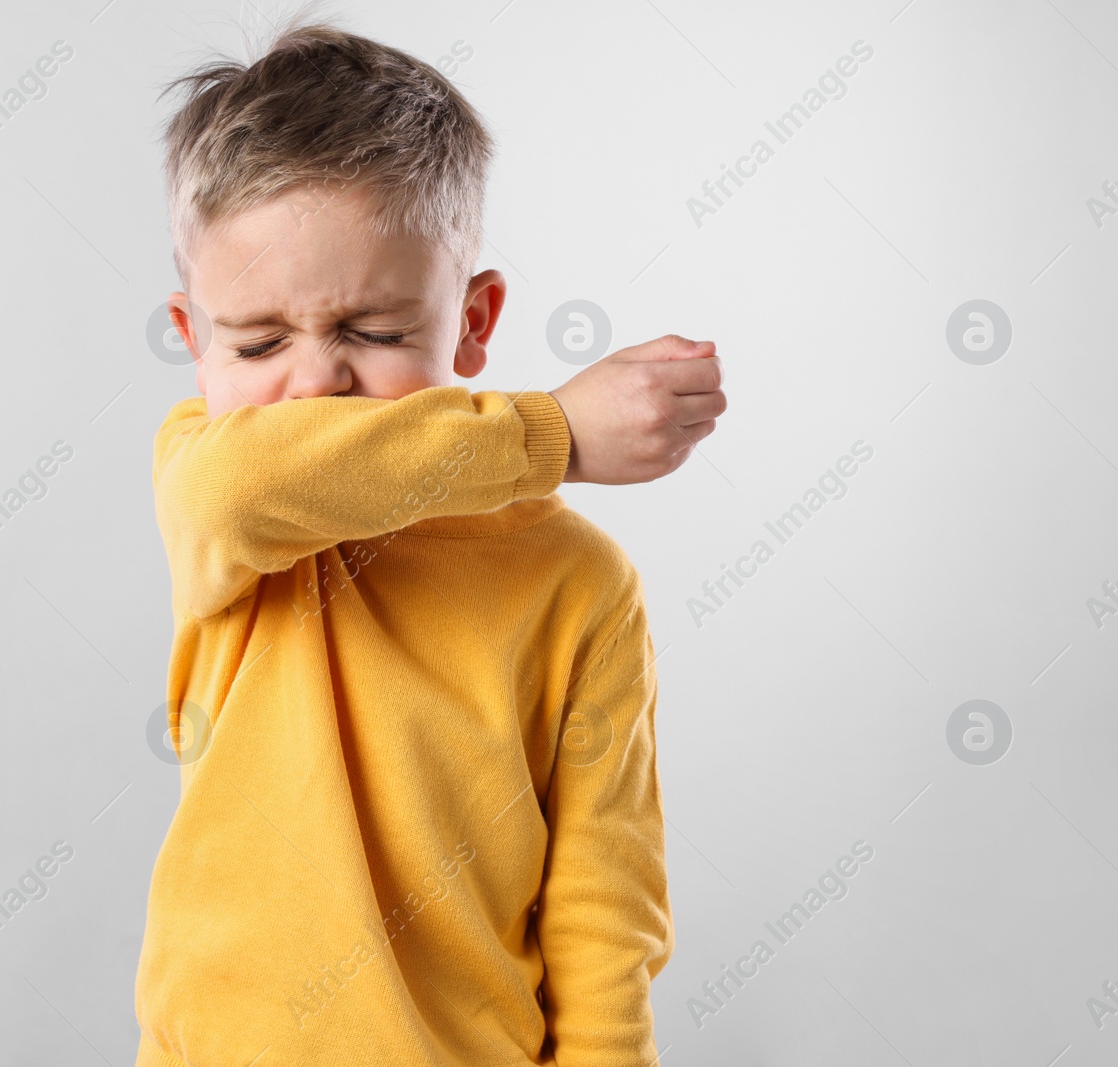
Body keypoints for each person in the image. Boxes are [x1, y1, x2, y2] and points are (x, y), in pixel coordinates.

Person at [137, 14, 725, 1066]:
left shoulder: (576, 582)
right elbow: (258, 478)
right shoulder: (214, 479)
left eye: (372, 331)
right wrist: (555, 432)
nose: (314, 383)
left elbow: (602, 903)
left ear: (472, 321)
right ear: (192, 339)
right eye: (259, 341)